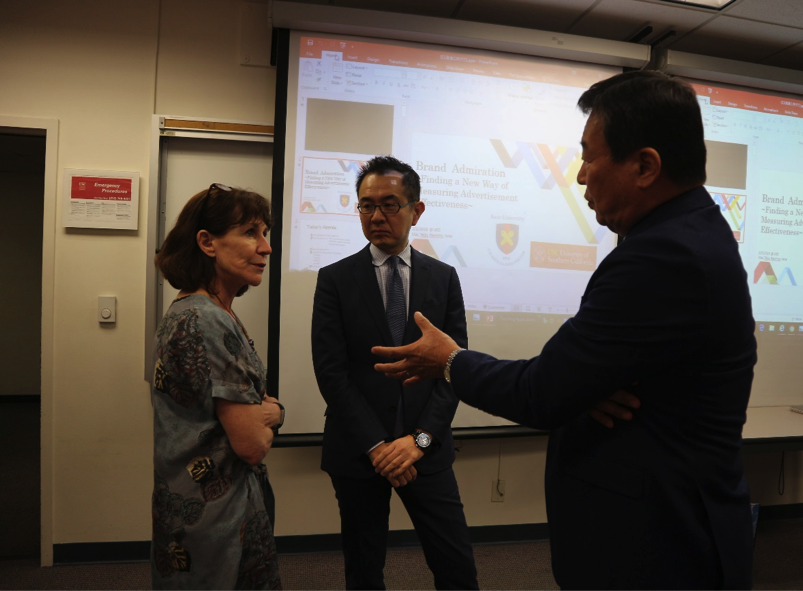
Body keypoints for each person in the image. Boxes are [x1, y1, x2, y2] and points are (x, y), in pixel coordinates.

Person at [372, 71, 757, 591]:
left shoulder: (663, 256)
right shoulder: (689, 233)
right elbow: (581, 380)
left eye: (589, 157)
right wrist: (583, 386)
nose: (580, 177)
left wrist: (449, 360)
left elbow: (541, 393)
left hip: (658, 546)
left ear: (645, 166)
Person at [311, 156, 479, 591]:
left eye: (389, 204)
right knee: (364, 572)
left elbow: (453, 368)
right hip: (360, 451)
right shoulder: (334, 279)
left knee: (457, 568)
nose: (376, 216)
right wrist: (378, 447)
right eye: (366, 206)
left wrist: (417, 442)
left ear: (415, 210)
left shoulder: (444, 278)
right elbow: (331, 373)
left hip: (426, 449)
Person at [151, 183, 283, 591]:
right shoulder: (207, 319)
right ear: (207, 242)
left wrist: (260, 414)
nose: (266, 247)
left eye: (265, 233)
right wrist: (275, 414)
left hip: (197, 508)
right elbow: (252, 445)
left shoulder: (194, 309)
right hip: (220, 518)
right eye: (250, 233)